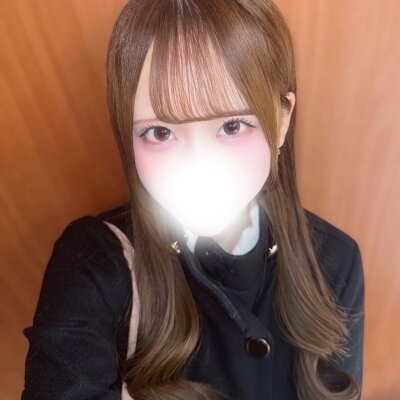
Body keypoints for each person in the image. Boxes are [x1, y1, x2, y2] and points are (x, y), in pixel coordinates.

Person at [21, 1, 364, 399]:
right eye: (160, 132)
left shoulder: (334, 261)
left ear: (282, 118)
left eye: (232, 126)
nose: (199, 167)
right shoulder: (95, 265)